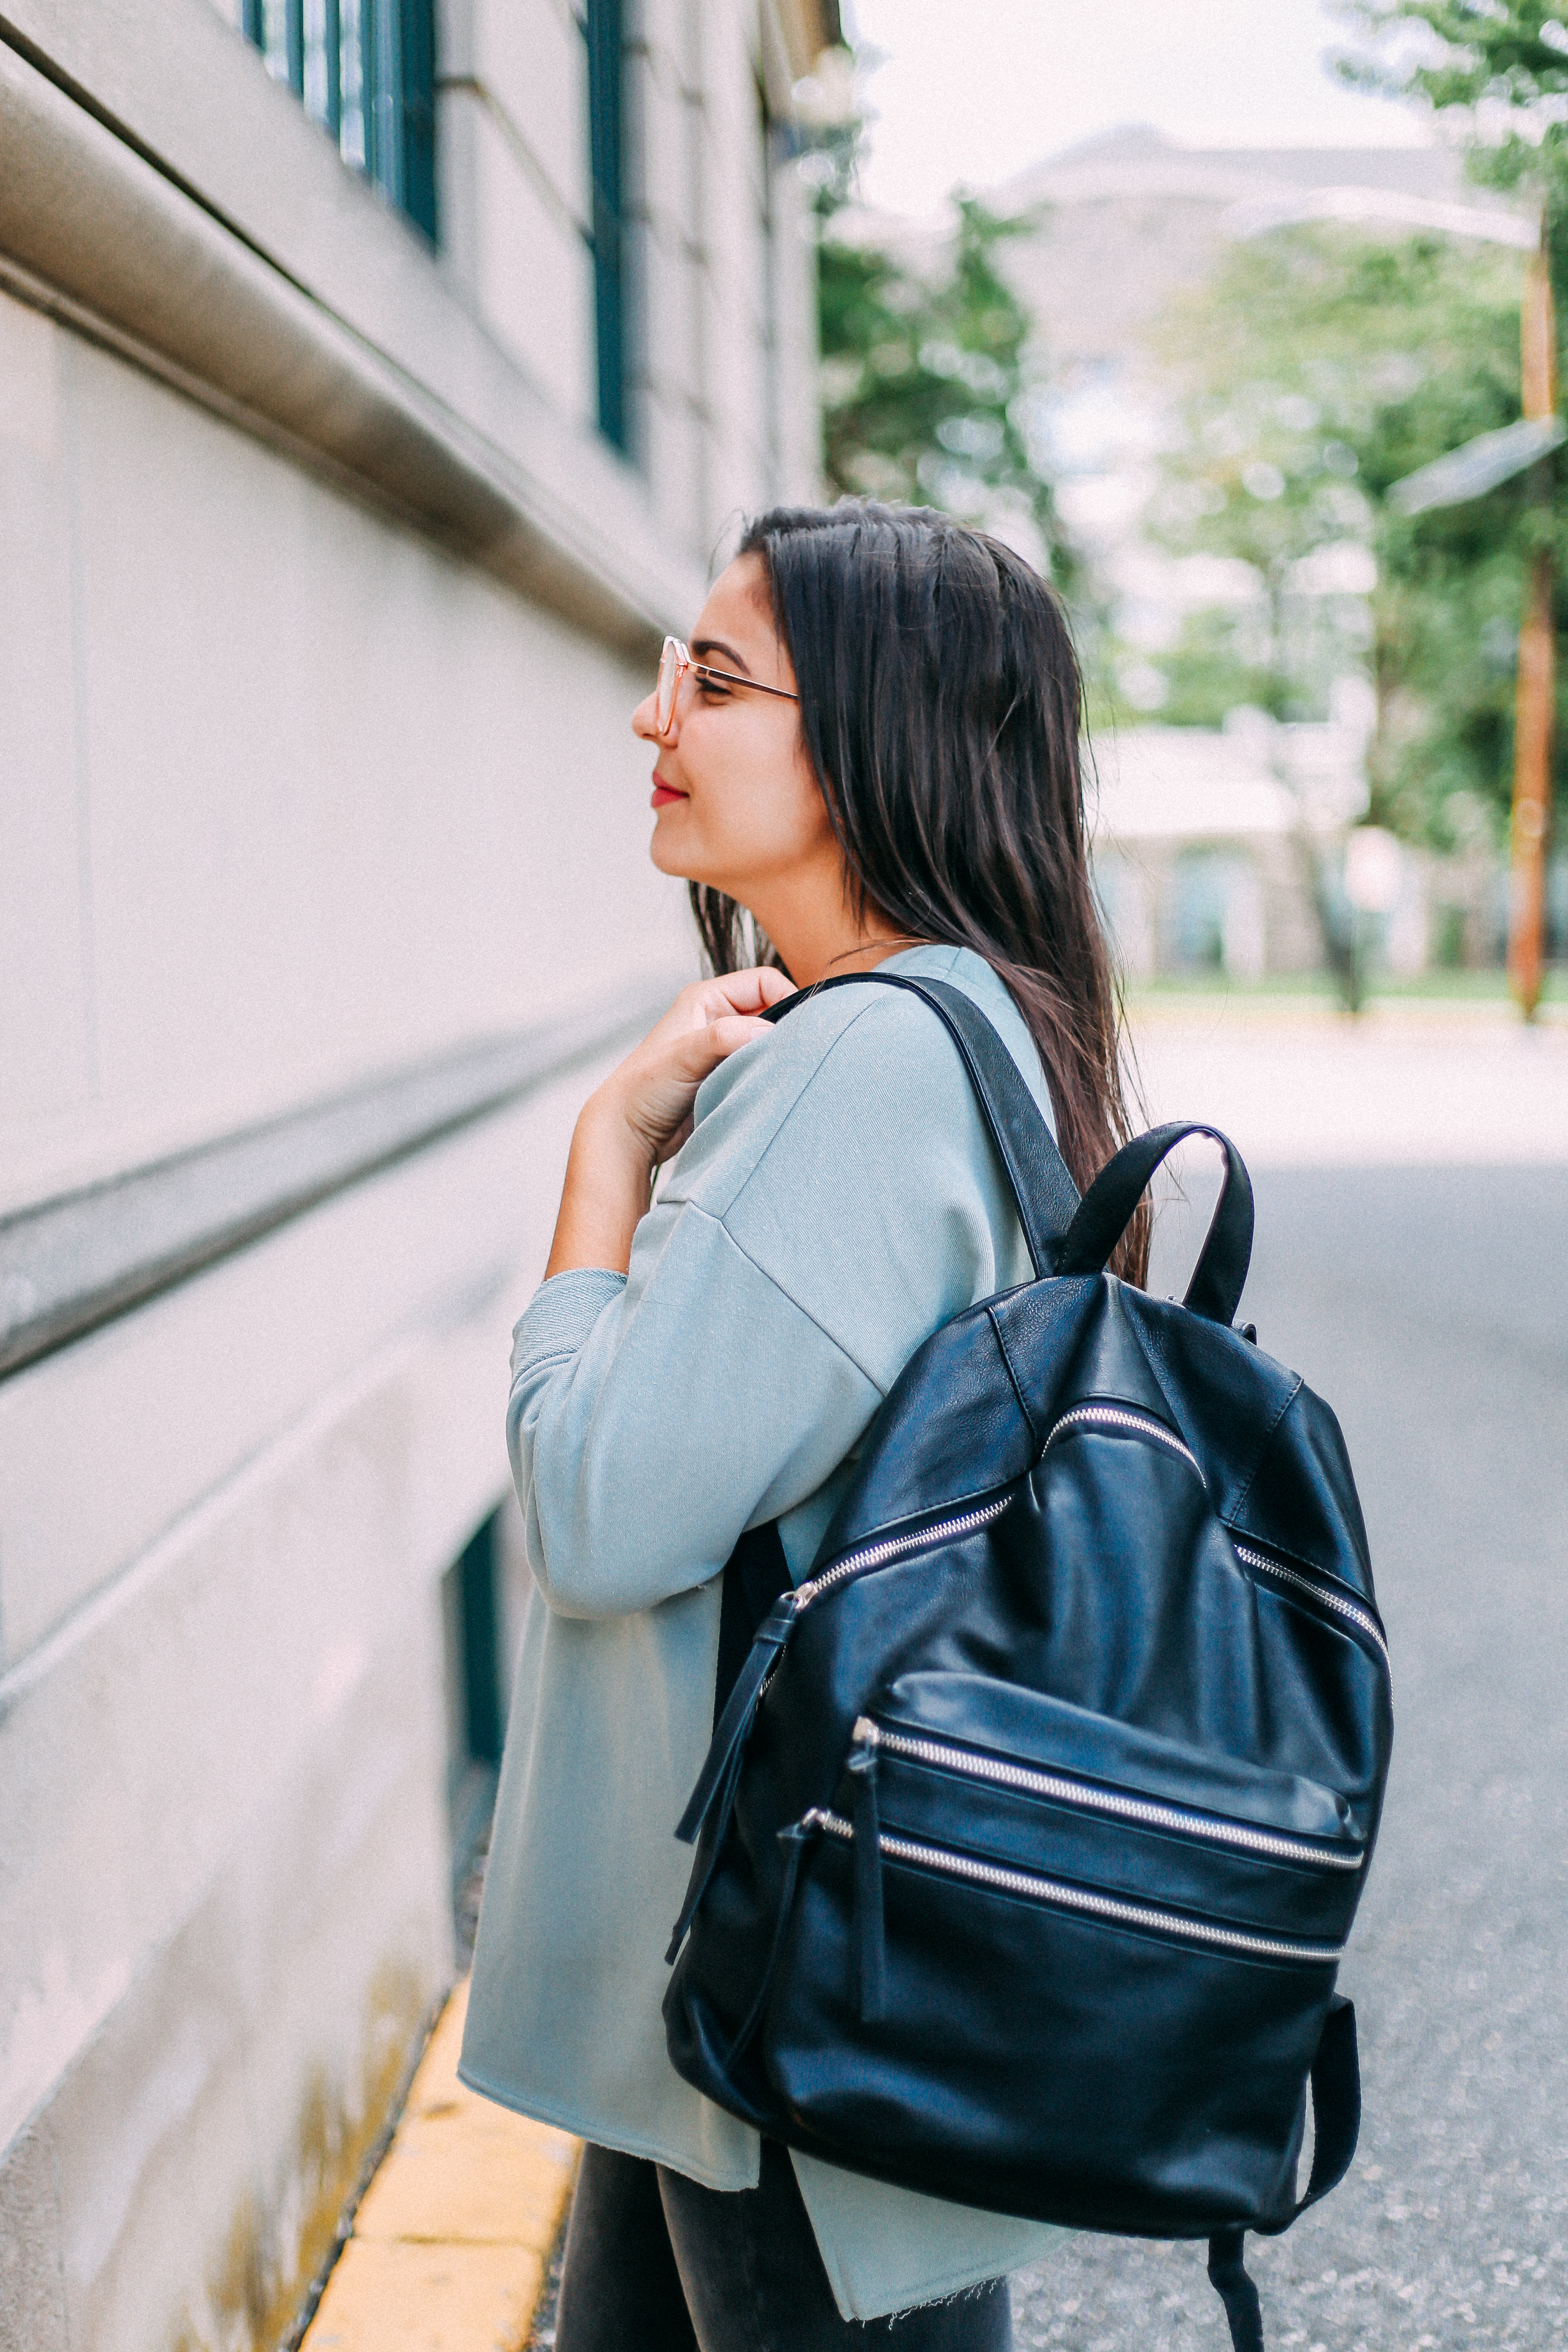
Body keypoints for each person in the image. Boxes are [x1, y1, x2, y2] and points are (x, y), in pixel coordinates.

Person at [460, 502, 1148, 2350]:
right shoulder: (979, 1025)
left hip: (780, 1988)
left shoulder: (862, 1066)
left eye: (713, 678)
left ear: (872, 735)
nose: (651, 718)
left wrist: (608, 1153)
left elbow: (602, 1508)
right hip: (762, 1962)